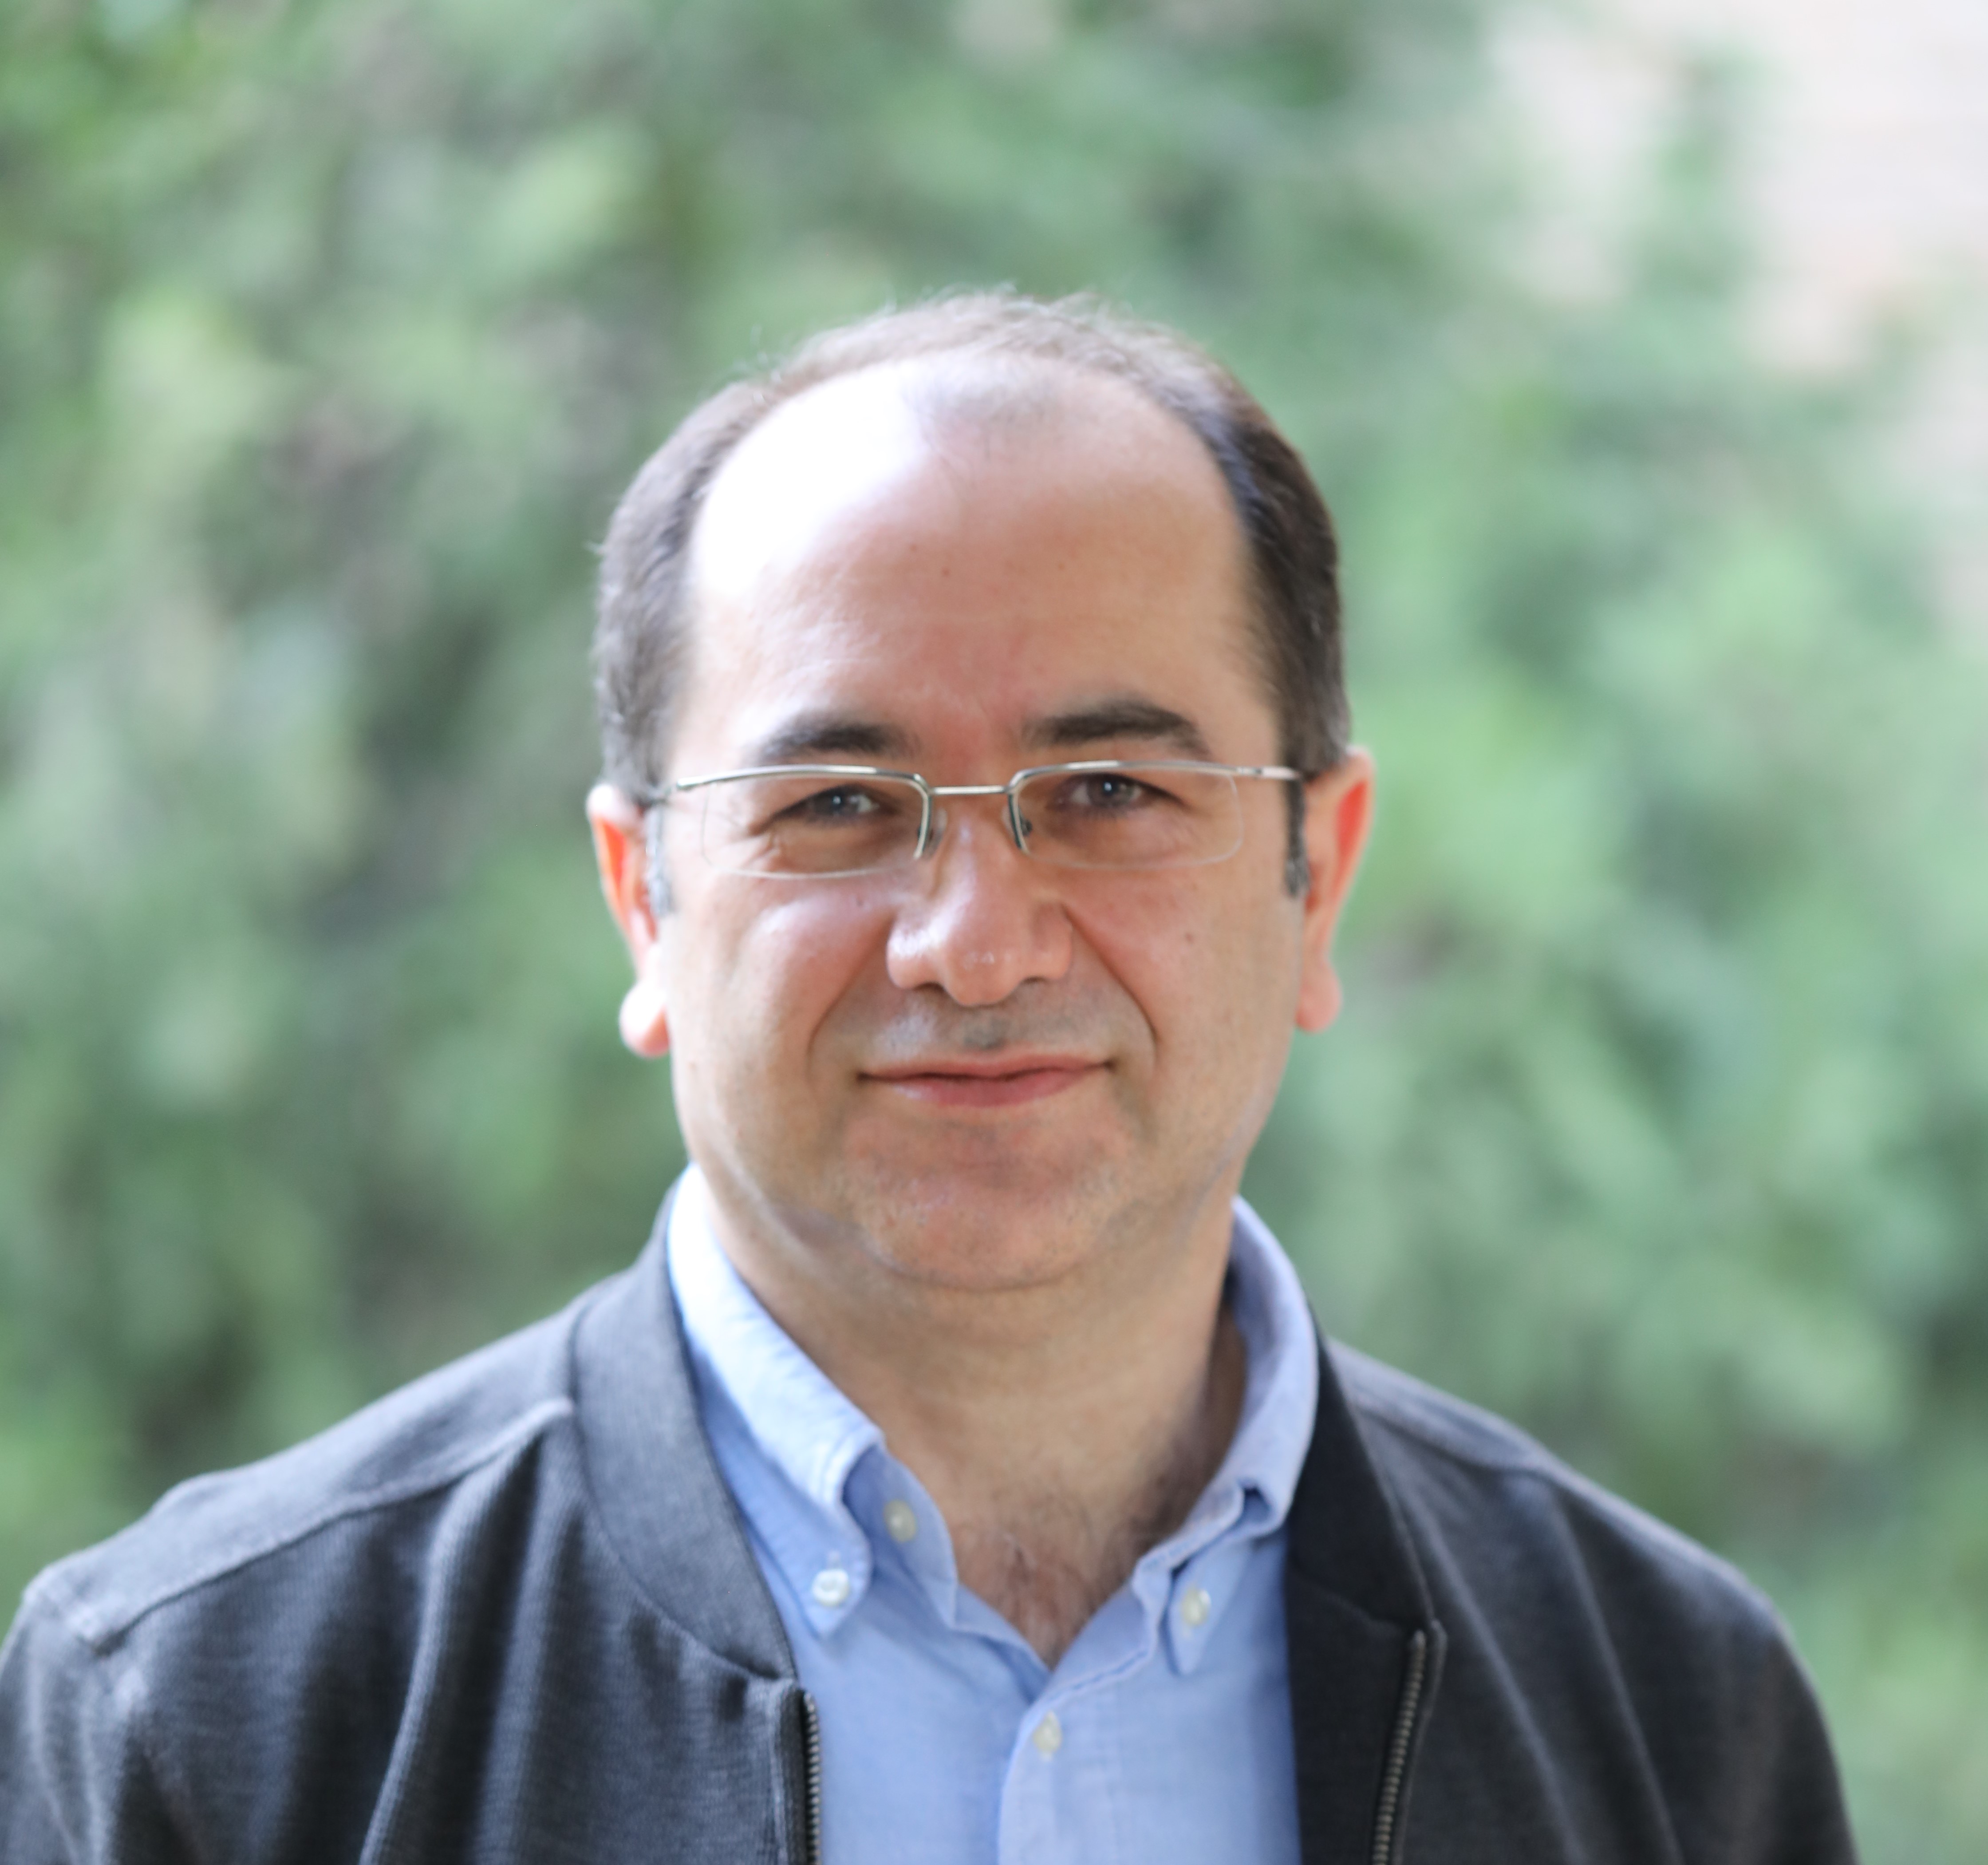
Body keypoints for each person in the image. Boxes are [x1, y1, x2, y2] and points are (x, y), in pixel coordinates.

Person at [0, 294, 1855, 1864]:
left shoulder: (1671, 1716)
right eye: (837, 804)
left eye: (1110, 792)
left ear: (1321, 875)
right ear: (645, 899)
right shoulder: (202, 1722)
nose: (975, 942)